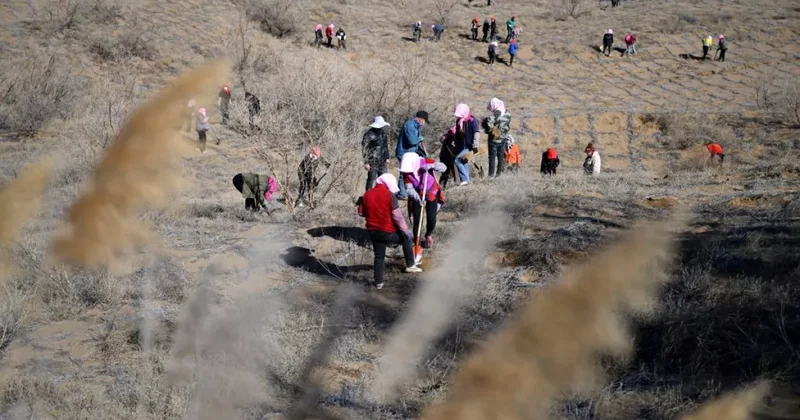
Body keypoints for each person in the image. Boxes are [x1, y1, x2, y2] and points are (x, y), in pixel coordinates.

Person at [358, 174, 422, 290]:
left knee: (379, 256)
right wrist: (405, 231)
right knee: (406, 239)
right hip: (387, 231)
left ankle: (378, 283)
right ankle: (411, 265)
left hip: (372, 231)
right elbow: (397, 217)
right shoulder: (389, 195)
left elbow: (361, 213)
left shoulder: (367, 194)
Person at [400, 152, 446, 251]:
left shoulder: (425, 161)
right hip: (417, 195)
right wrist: (419, 199)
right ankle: (417, 242)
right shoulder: (406, 173)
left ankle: (428, 234)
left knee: (431, 219)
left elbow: (444, 167)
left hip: (431, 194)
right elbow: (409, 189)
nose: (409, 171)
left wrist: (432, 166)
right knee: (417, 220)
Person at [395, 111, 429, 198]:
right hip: (404, 153)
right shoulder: (410, 126)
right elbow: (412, 141)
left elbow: (417, 142)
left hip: (411, 153)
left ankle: (408, 191)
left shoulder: (417, 127)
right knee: (404, 173)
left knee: (411, 172)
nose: (424, 123)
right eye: (424, 120)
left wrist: (424, 153)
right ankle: (402, 194)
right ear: (420, 119)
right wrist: (419, 138)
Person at [453, 103, 481, 186]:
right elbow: (457, 134)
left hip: (469, 146)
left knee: (457, 160)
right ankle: (467, 181)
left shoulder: (472, 120)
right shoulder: (459, 121)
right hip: (460, 146)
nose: (458, 116)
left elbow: (476, 133)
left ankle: (465, 180)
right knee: (464, 162)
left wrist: (475, 146)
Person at [362, 116, 391, 191]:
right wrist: (366, 162)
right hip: (373, 161)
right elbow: (364, 149)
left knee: (383, 179)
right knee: (371, 180)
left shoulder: (383, 133)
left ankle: (380, 196)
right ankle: (367, 197)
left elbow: (385, 146)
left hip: (383, 160)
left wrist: (387, 158)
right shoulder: (368, 135)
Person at [486, 98, 512, 178]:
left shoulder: (494, 115)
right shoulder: (508, 114)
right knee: (501, 157)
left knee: (492, 158)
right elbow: (508, 127)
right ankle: (499, 174)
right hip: (503, 138)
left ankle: (491, 176)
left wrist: (490, 128)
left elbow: (489, 126)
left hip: (494, 139)